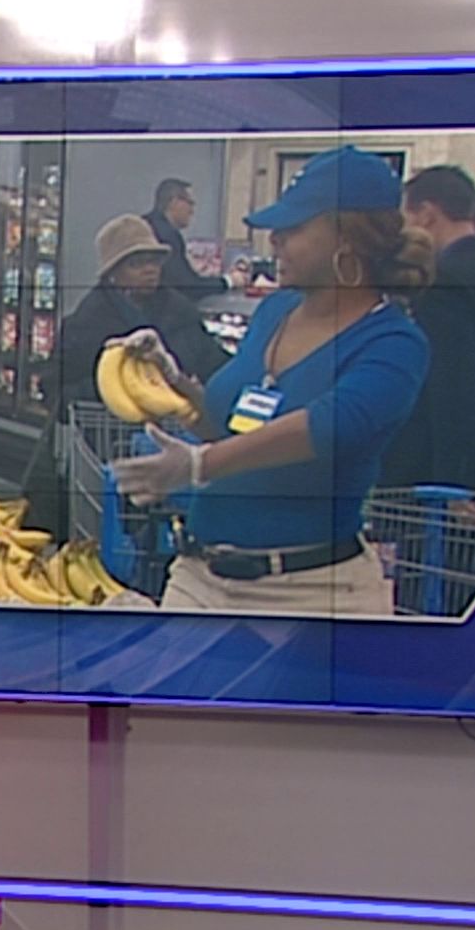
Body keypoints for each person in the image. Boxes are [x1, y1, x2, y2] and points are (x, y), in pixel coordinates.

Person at [108, 146, 433, 615]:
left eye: (293, 227)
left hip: (310, 596)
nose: (274, 239)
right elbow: (232, 427)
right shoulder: (275, 311)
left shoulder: (394, 343)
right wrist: (173, 381)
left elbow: (329, 426)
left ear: (347, 238)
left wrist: (199, 465)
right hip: (199, 579)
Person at [380, 165, 475, 496]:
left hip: (458, 472)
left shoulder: (442, 282)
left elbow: (452, 388)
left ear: (426, 214)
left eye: (405, 217)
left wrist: (450, 483)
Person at [57, 213, 230, 420]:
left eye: (155, 262)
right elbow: (58, 392)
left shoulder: (181, 312)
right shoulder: (85, 323)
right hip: (109, 432)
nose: (150, 270)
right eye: (136, 264)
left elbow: (214, 364)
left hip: (181, 427)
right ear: (113, 273)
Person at [144, 178, 234, 297]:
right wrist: (229, 281)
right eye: (190, 203)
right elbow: (188, 287)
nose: (192, 211)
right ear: (174, 202)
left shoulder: (146, 224)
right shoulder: (168, 236)